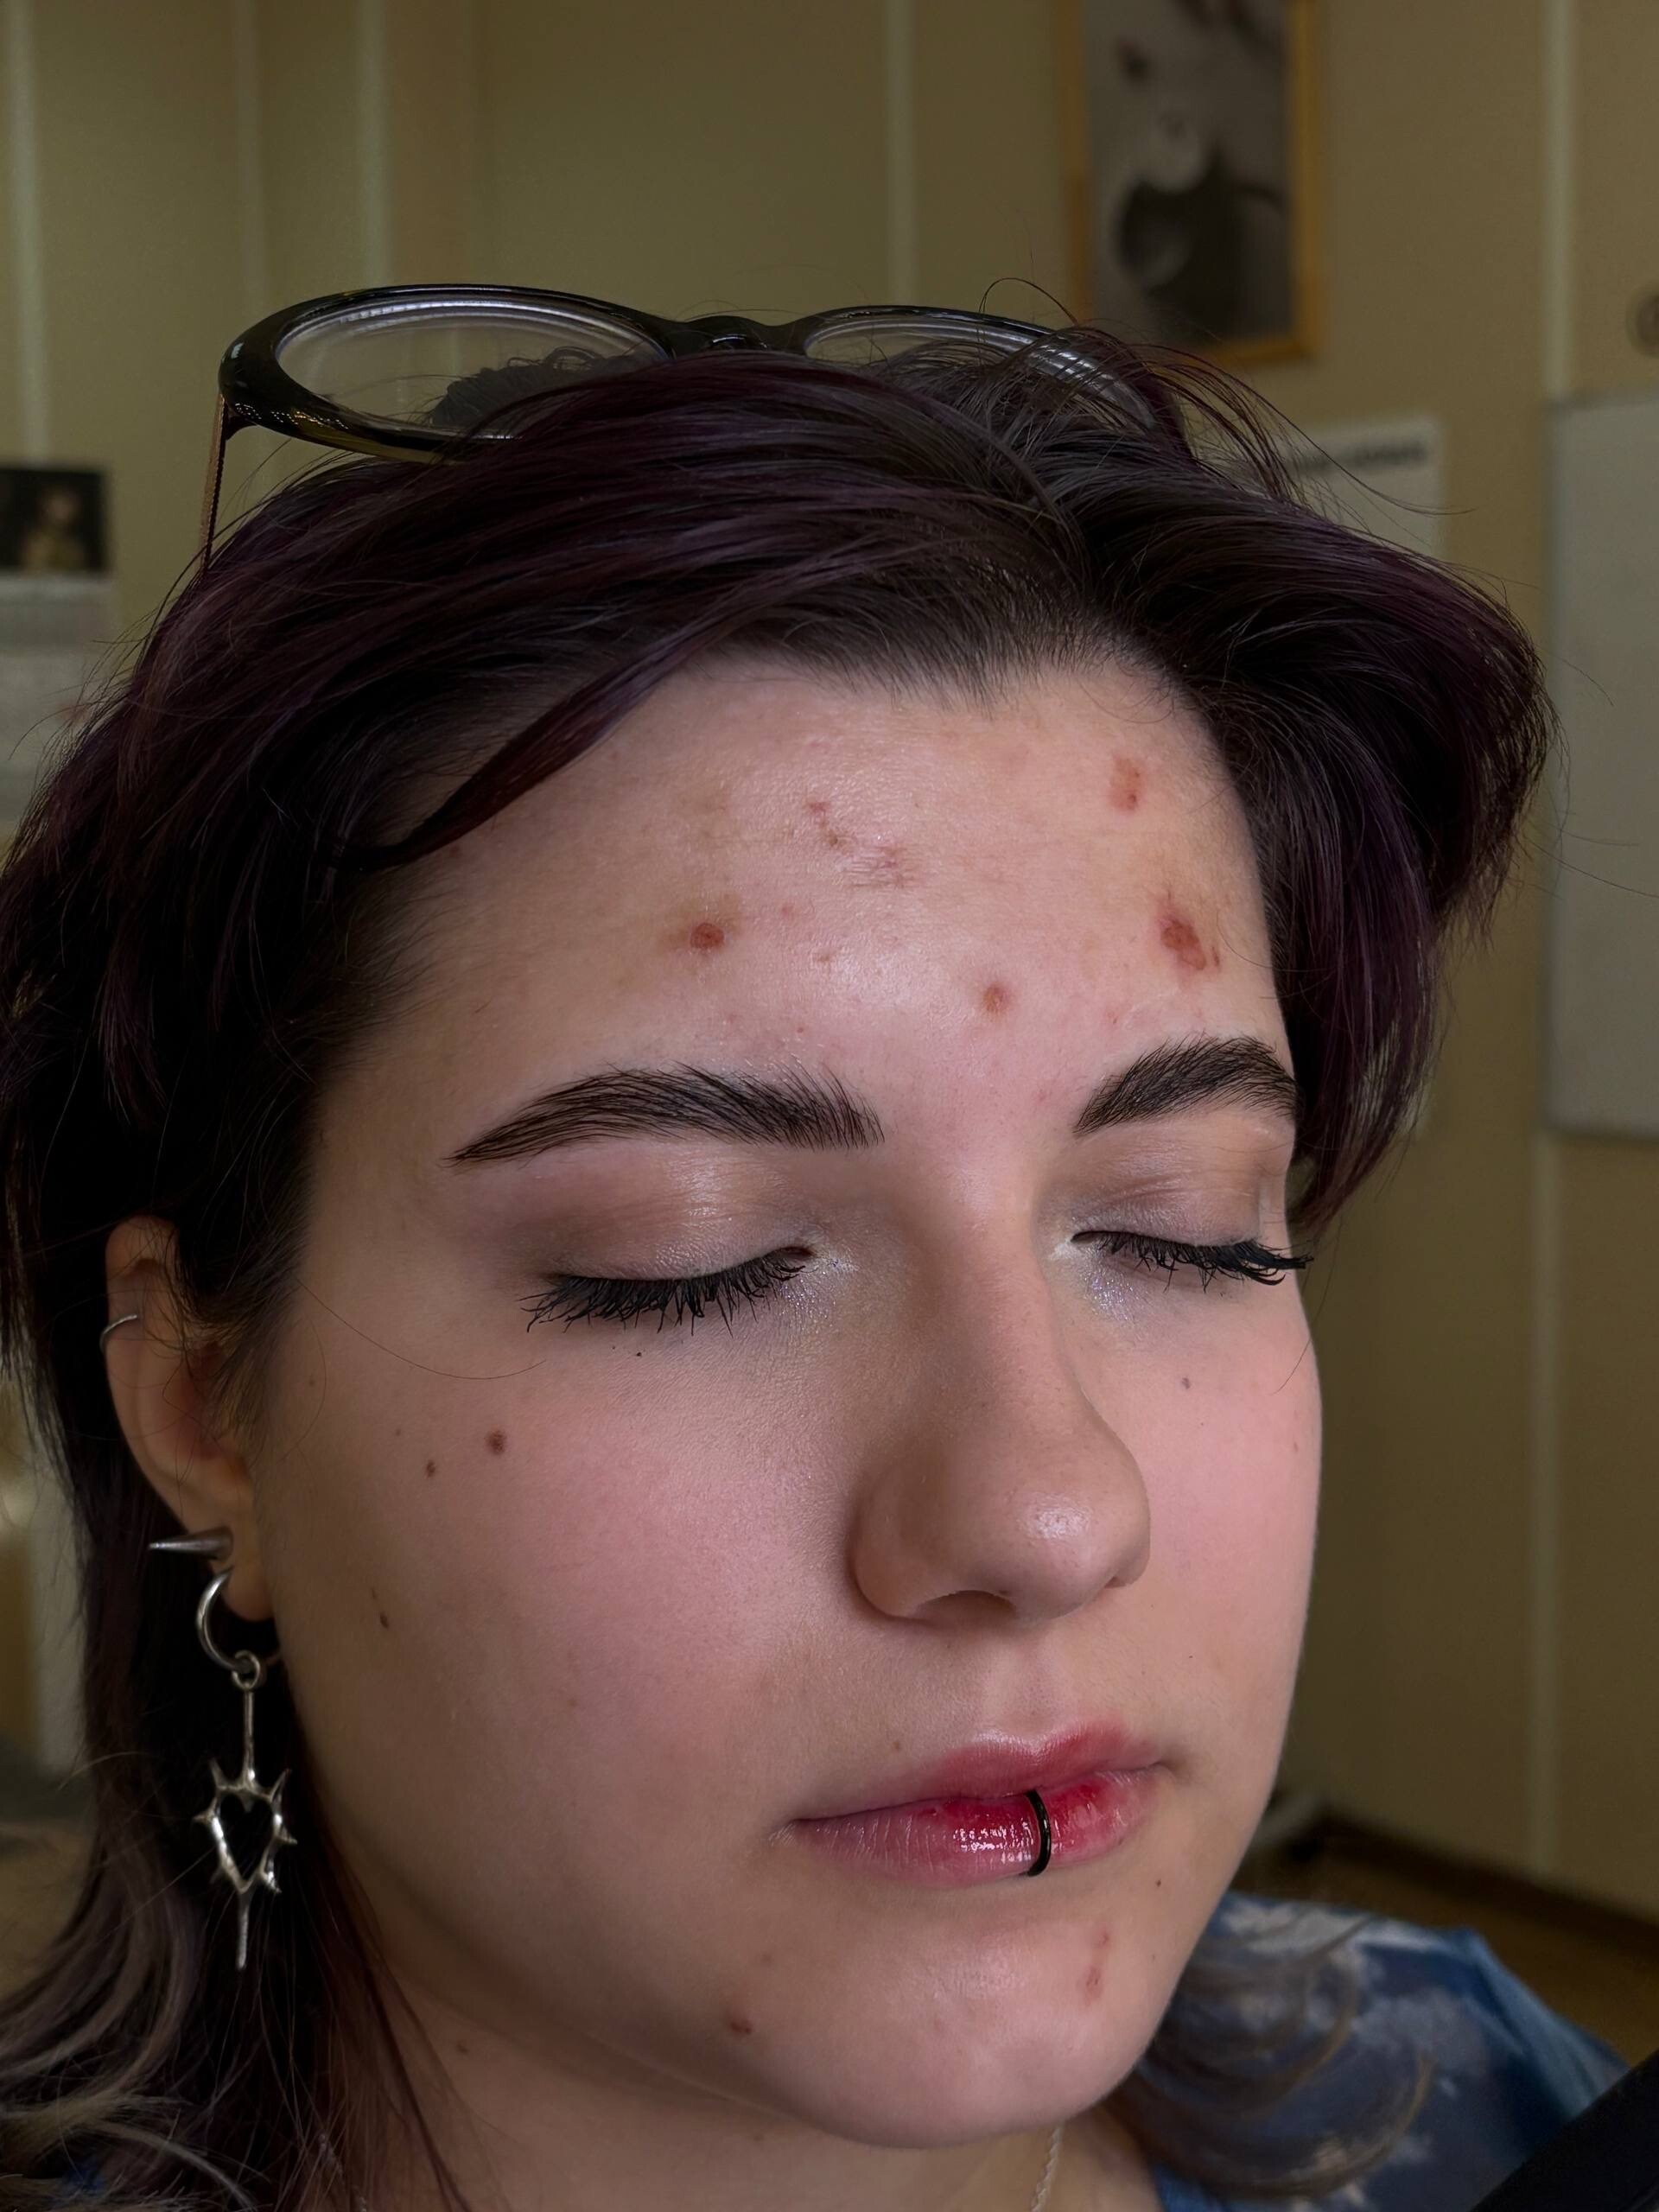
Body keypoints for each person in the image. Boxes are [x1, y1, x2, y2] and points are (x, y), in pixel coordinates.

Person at [0, 297, 1629, 2211]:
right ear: (206, 1403)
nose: (1047, 1513)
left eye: (1181, 1228)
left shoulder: (1493, 2116)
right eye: (692, 1262)